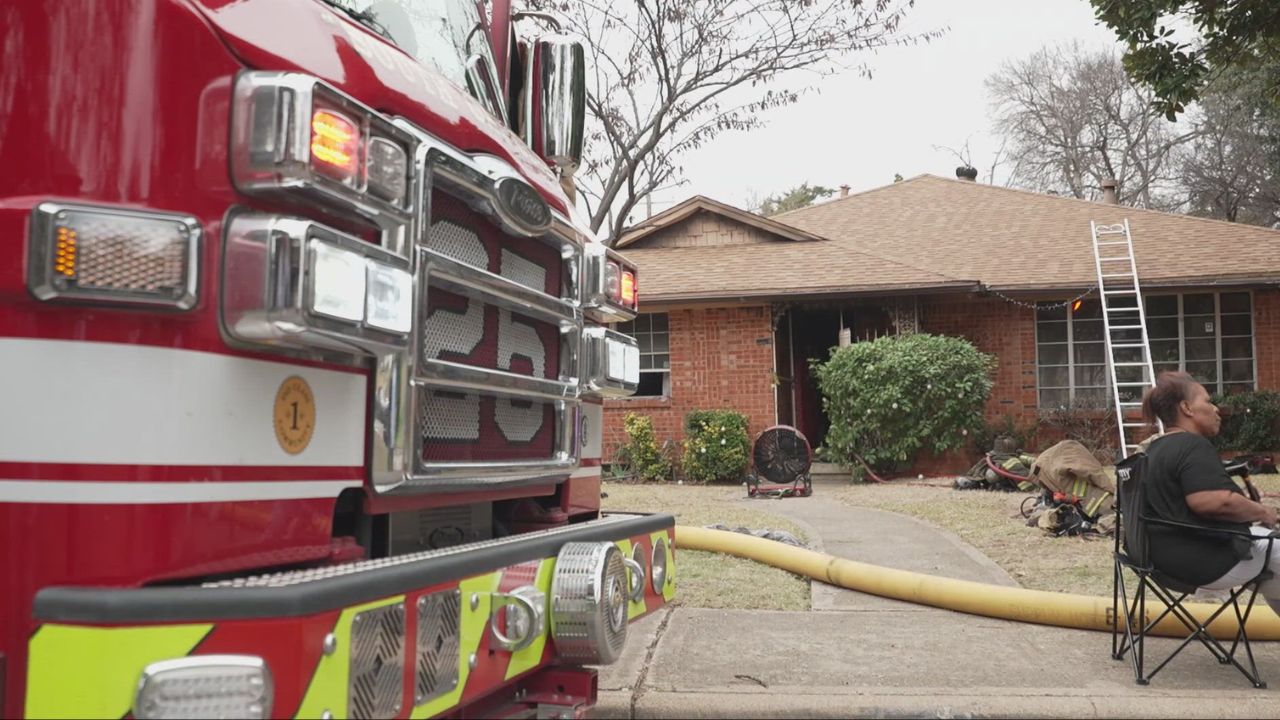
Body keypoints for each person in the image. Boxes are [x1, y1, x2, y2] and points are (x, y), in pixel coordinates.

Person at [1140, 371, 1280, 612]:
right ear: (1187, 408)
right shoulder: (1192, 445)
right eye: (1207, 401)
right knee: (1273, 550)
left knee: (1273, 568)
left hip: (1160, 563)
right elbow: (1211, 502)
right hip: (1205, 562)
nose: (1215, 409)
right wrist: (1265, 512)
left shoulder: (1154, 450)